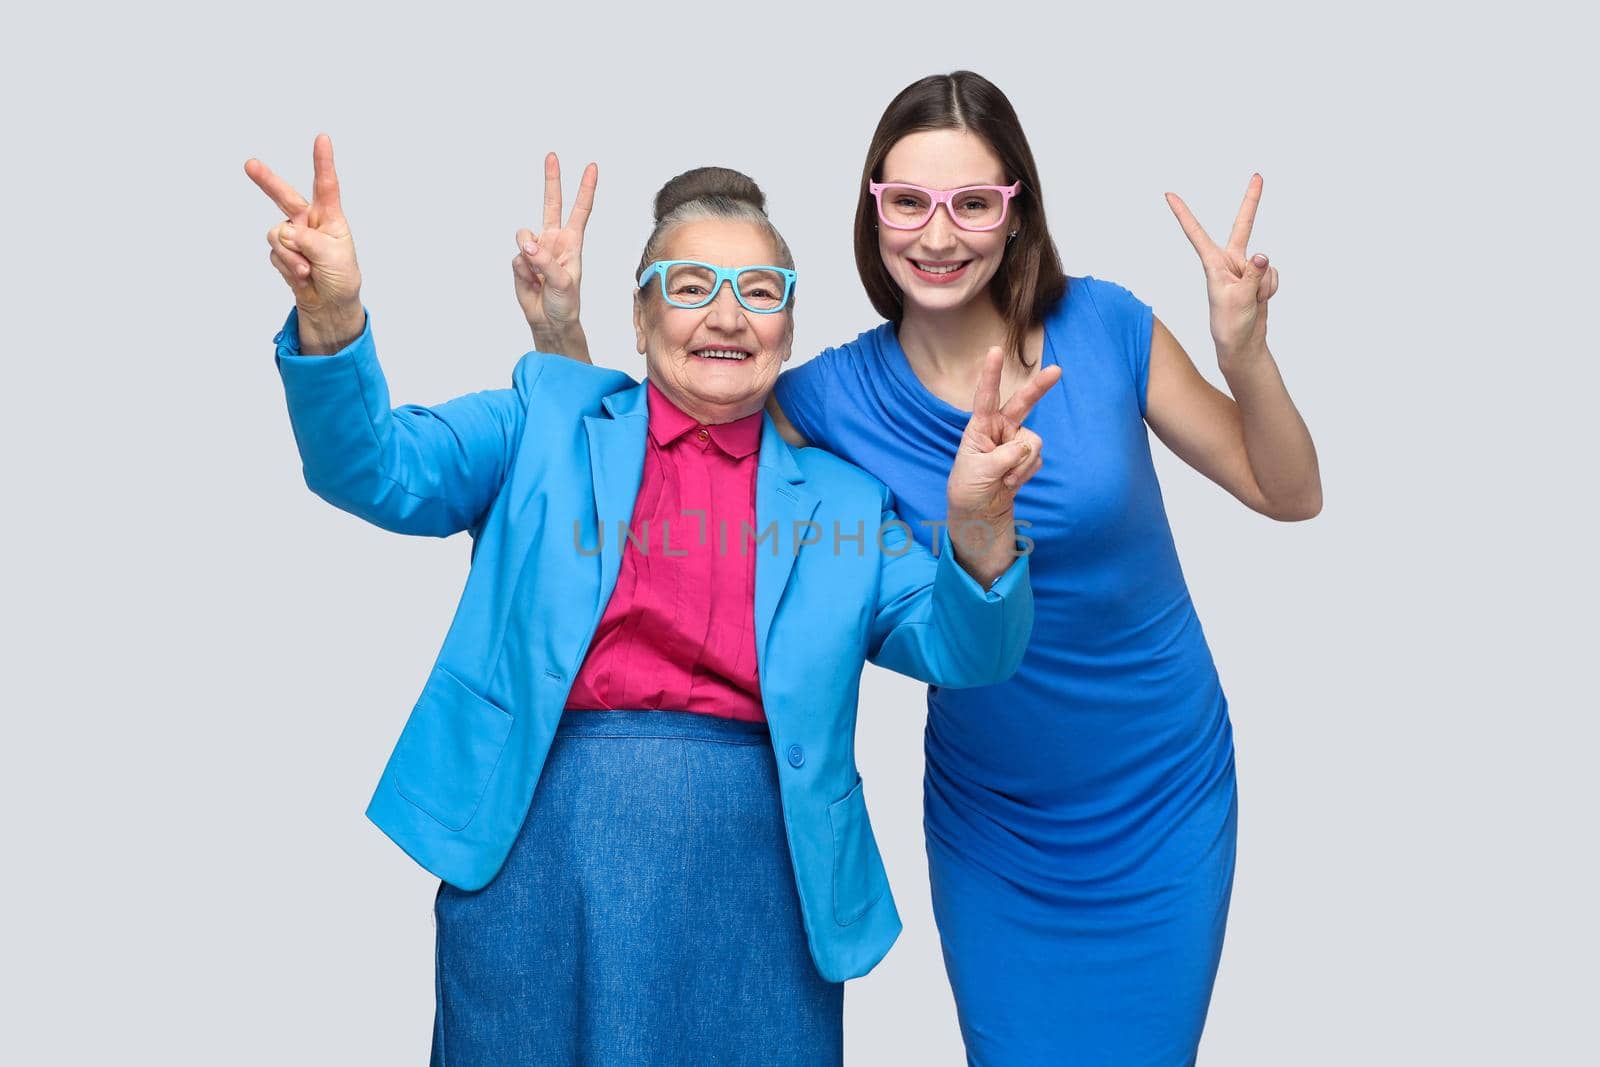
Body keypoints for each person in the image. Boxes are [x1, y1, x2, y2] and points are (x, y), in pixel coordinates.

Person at [520, 71, 1323, 1066]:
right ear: (873, 208)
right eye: (908, 202)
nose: (937, 237)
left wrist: (1244, 351)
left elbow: (1287, 491)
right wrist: (561, 331)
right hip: (997, 813)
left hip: (1161, 783)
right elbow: (656, 480)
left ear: (1015, 211)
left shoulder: (1106, 326)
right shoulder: (825, 398)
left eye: (971, 203)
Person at [245, 134, 1056, 1066]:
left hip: (767, 877)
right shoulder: (541, 419)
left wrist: (982, 522)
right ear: (637, 317)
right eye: (688, 285)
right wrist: (333, 318)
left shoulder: (845, 503)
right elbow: (374, 469)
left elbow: (969, 652)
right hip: (536, 855)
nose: (727, 314)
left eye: (759, 293)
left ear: (788, 332)